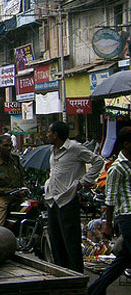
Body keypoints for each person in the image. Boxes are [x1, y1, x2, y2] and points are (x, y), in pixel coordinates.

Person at [45, 121, 104, 273]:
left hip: (67, 200)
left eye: (49, 132)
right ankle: (62, 275)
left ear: (56, 134)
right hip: (53, 201)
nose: (47, 135)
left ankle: (76, 276)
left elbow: (98, 161)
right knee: (56, 242)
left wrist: (83, 182)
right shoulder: (53, 150)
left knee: (71, 242)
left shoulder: (74, 148)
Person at [88, 127, 131, 295]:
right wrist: (107, 224)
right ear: (126, 144)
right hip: (127, 216)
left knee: (123, 260)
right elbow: (110, 199)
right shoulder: (116, 168)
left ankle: (95, 290)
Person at [0, 134, 26, 227]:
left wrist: (24, 188)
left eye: (10, 145)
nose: (8, 148)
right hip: (3, 198)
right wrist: (9, 192)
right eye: (5, 145)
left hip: (19, 196)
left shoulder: (15, 159)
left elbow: (22, 177)